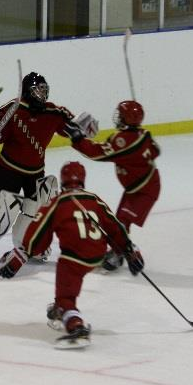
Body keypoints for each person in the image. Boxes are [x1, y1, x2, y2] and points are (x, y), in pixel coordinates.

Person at [0, 161, 144, 347]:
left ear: (63, 180)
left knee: (66, 296)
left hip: (74, 258)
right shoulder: (94, 199)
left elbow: (39, 232)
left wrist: (19, 258)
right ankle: (60, 309)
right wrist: (130, 250)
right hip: (98, 255)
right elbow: (115, 226)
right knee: (72, 276)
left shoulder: (57, 202)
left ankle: (75, 324)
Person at [0, 71, 95, 262]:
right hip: (8, 169)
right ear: (28, 91)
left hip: (35, 171)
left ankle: (32, 245)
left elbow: (74, 125)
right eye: (38, 90)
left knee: (38, 209)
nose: (43, 95)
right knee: (3, 210)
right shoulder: (13, 109)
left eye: (45, 90)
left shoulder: (53, 112)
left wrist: (85, 126)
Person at [67, 99, 160, 271]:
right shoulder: (144, 134)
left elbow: (97, 153)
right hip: (139, 186)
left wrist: (78, 139)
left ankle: (131, 253)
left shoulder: (122, 140)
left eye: (121, 115)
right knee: (119, 222)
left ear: (127, 118)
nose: (117, 117)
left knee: (122, 222)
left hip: (144, 190)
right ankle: (118, 252)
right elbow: (155, 150)